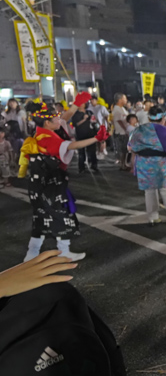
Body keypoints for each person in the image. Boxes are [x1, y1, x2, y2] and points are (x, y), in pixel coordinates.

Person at [20, 96, 108, 262]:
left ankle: (32, 254)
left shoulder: (41, 132)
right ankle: (63, 251)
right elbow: (71, 145)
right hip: (50, 184)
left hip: (40, 183)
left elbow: (63, 120)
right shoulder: (48, 138)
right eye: (56, 117)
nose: (60, 118)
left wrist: (75, 105)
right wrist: (96, 139)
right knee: (61, 214)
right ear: (48, 122)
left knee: (41, 217)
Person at [127, 105, 166, 226]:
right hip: (163, 164)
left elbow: (130, 147)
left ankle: (153, 217)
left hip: (144, 165)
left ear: (149, 117)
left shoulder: (138, 130)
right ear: (163, 118)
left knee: (150, 192)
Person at [71, 102, 99, 174]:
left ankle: (94, 165)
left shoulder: (89, 112)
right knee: (81, 152)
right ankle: (81, 167)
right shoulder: (75, 114)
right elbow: (75, 124)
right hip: (81, 134)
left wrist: (94, 122)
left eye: (82, 103)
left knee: (92, 151)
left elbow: (94, 121)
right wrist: (83, 119)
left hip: (91, 133)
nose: (81, 104)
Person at [111, 94, 131, 171]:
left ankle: (124, 164)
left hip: (123, 131)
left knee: (124, 149)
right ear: (120, 100)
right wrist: (126, 129)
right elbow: (119, 121)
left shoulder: (122, 108)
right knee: (122, 149)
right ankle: (122, 165)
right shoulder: (117, 109)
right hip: (121, 132)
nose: (126, 100)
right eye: (125, 98)